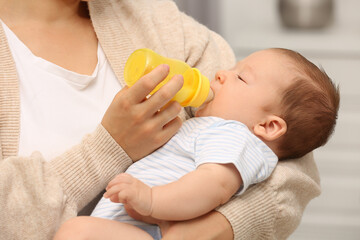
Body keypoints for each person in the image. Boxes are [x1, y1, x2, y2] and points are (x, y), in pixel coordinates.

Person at [0, 0, 331, 239]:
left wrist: (221, 226)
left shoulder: (159, 23)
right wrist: (110, 147)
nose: (220, 75)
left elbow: (292, 163)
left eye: (238, 76)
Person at [53, 48, 340, 240]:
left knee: (77, 232)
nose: (220, 73)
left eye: (240, 77)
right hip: (133, 225)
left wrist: (152, 200)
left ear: (268, 126)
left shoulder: (236, 137)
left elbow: (213, 186)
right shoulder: (213, 128)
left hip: (152, 231)